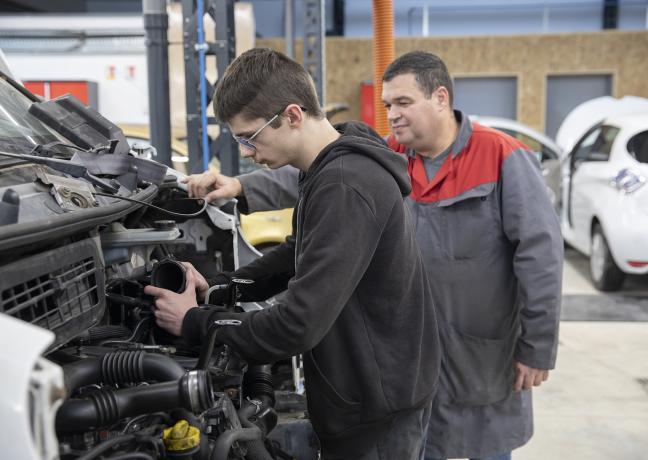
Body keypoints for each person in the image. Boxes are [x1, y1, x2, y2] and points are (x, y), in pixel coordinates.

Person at [185, 50, 563, 460]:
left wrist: (536, 347)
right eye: (387, 105)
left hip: (472, 345)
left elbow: (540, 257)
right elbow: (305, 181)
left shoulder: (500, 156)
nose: (393, 114)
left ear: (441, 98)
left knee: (484, 443)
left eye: (403, 103)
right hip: (400, 344)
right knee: (426, 444)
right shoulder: (381, 153)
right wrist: (240, 189)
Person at [144, 48, 440, 460]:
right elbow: (295, 255)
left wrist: (195, 321)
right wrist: (219, 287)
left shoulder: (344, 184)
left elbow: (296, 325)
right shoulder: (327, 169)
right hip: (376, 387)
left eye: (250, 137)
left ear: (293, 115)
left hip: (375, 413)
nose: (246, 152)